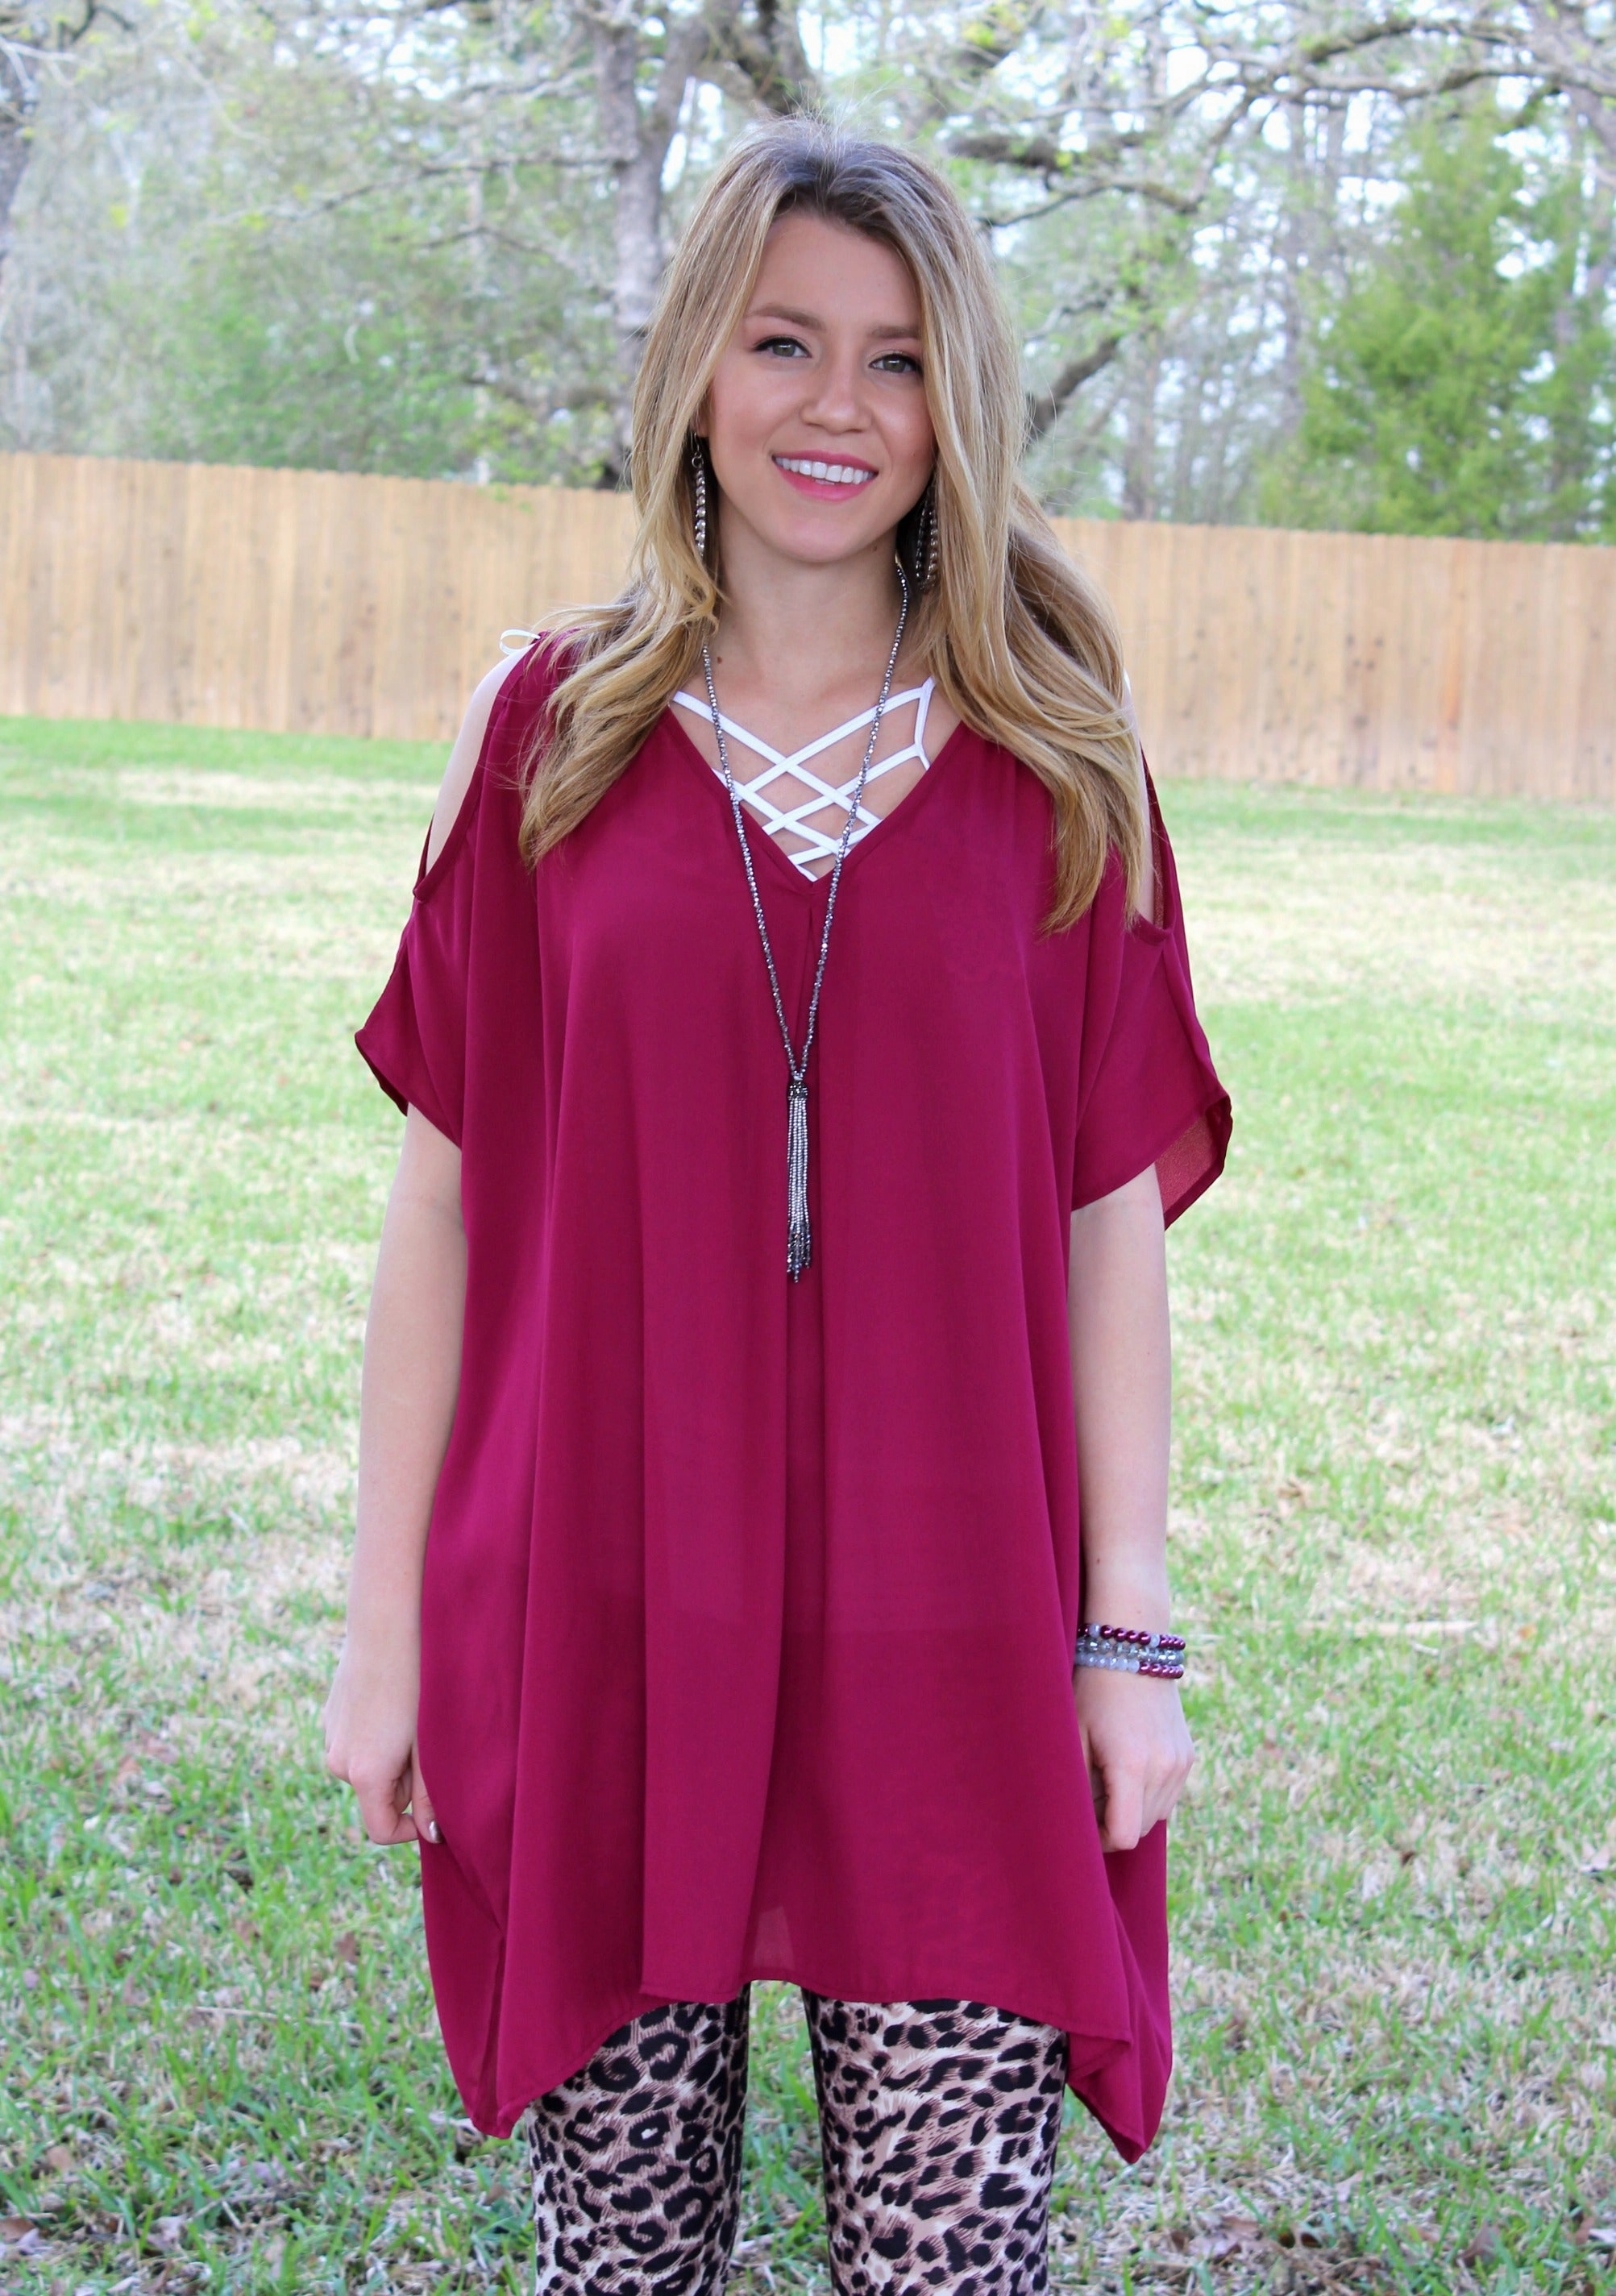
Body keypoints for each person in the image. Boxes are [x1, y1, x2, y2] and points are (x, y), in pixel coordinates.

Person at [323, 118, 1230, 2296]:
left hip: (956, 1630)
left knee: (947, 2250)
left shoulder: (1056, 760)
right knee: (619, 2252)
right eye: (788, 343)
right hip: (609, 1598)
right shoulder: (540, 731)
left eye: (901, 361)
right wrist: (385, 1645)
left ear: (961, 405)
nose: (841, 409)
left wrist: (1125, 1633)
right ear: (695, 374)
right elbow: (437, 1210)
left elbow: (1113, 1222)